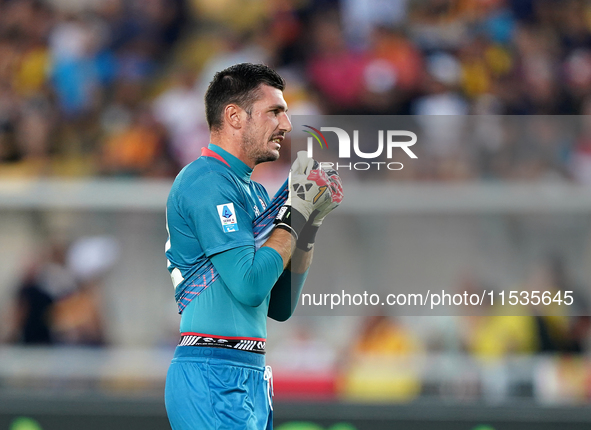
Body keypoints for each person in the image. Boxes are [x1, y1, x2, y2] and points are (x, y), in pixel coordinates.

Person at [164, 63, 342, 430]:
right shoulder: (207, 180)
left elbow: (280, 305)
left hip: (247, 372)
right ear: (234, 116)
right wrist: (295, 212)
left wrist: (308, 224)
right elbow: (248, 285)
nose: (286, 125)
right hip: (213, 370)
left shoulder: (255, 191)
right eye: (275, 111)